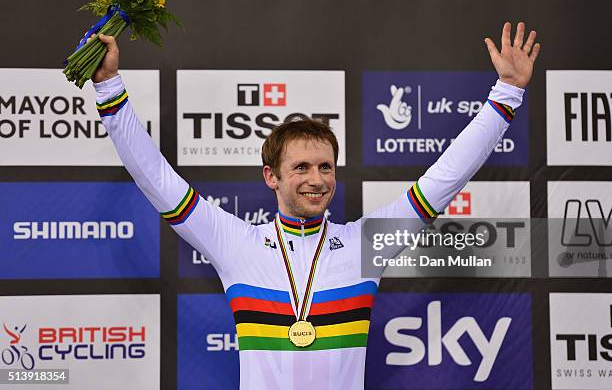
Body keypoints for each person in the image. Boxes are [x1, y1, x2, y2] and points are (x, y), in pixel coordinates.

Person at [90, 21, 539, 389]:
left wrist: (507, 94)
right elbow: (157, 179)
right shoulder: (235, 243)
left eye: (326, 167)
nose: (317, 179)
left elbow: (443, 179)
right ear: (272, 176)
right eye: (302, 167)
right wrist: (110, 88)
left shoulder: (366, 244)